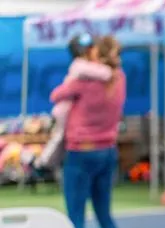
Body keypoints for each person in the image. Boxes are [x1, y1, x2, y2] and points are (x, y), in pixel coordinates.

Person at [50, 34, 126, 228]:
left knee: (76, 215)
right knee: (104, 213)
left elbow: (55, 96)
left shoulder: (82, 81)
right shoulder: (119, 77)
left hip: (81, 150)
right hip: (108, 149)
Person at [35, 33, 114, 172]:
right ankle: (43, 162)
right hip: (65, 108)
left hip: (69, 108)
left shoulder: (83, 67)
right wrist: (108, 70)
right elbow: (105, 74)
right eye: (91, 48)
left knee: (61, 138)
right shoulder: (79, 65)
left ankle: (47, 163)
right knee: (60, 136)